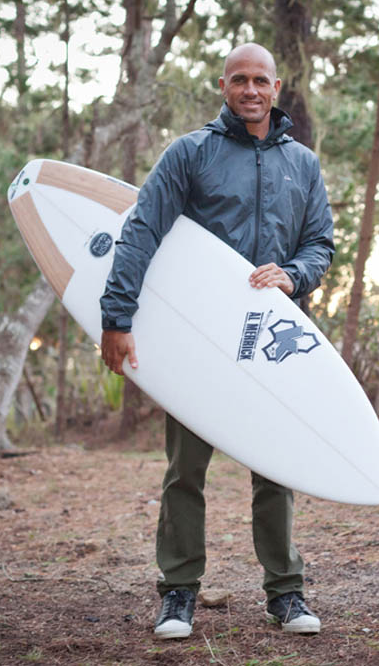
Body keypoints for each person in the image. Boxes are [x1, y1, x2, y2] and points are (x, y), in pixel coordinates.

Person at [99, 43, 335, 639]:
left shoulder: (302, 164)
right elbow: (141, 231)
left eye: (261, 81)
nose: (250, 90)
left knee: (275, 469)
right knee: (185, 470)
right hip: (199, 341)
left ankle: (286, 594)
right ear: (223, 86)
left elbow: (320, 245)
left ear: (276, 88)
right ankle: (178, 593)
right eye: (239, 80)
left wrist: (294, 274)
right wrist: (116, 317)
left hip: (272, 340)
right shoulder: (191, 153)